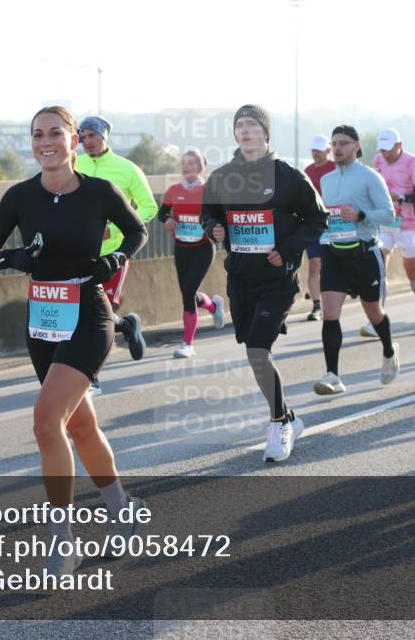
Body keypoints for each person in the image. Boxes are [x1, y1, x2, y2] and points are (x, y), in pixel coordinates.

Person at [0, 106, 149, 573]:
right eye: (37, 134)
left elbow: (138, 231)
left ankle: (62, 539)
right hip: (43, 318)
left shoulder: (100, 192)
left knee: (46, 419)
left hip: (88, 314)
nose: (45, 141)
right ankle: (123, 510)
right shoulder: (19, 196)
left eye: (56, 133)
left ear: (75, 141)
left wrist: (112, 262)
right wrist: (18, 256)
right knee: (79, 427)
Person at [201, 104, 327, 463]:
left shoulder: (287, 176)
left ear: (265, 133)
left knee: (258, 349)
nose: (245, 131)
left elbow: (317, 219)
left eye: (252, 125)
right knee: (254, 352)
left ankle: (278, 424)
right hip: (240, 279)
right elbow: (207, 212)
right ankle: (289, 416)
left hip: (277, 280)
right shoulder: (222, 177)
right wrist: (214, 229)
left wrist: (287, 250)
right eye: (239, 125)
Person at [312, 126, 399, 395]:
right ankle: (333, 375)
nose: (337, 148)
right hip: (335, 253)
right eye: (334, 143)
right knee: (330, 313)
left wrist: (360, 215)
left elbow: (388, 214)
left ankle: (388, 349)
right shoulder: (326, 181)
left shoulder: (370, 177)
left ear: (356, 146)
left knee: (373, 313)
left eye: (344, 143)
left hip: (364, 253)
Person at [76, 115, 158, 394]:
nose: (86, 142)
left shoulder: (127, 169)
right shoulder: (75, 165)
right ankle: (127, 324)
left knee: (97, 316)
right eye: (82, 136)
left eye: (91, 136)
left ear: (104, 137)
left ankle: (92, 378)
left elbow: (149, 207)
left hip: (114, 255)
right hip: (77, 253)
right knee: (85, 317)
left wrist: (117, 227)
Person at [157, 148, 225, 358]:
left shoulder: (208, 191)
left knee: (187, 293)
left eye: (191, 162)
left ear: (201, 167)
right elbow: (162, 213)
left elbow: (219, 215)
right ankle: (213, 306)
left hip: (203, 248)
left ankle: (187, 343)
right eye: (184, 162)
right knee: (188, 292)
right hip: (182, 248)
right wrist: (167, 219)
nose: (186, 166)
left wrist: (215, 228)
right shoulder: (173, 190)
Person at [365, 128, 415, 335]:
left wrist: (401, 198)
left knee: (411, 271)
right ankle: (378, 319)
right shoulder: (378, 161)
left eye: (389, 150)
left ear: (399, 146)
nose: (385, 154)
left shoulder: (413, 162)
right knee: (379, 268)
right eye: (382, 150)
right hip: (386, 223)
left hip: (409, 223)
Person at [304, 134, 336, 321]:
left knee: (335, 262)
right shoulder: (307, 171)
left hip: (337, 224)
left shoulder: (335, 168)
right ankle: (317, 305)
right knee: (314, 263)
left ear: (328, 150)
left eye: (319, 150)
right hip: (315, 224)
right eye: (313, 150)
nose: (316, 153)